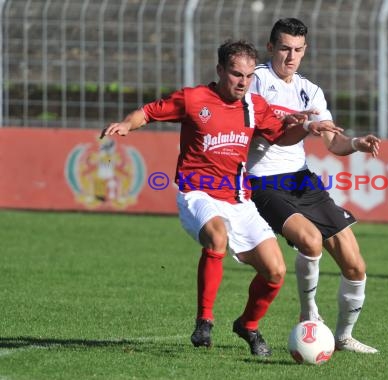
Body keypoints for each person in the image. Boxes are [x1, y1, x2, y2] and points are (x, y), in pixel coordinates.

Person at [100, 39, 341, 357]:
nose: (243, 82)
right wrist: (126, 125)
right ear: (220, 70)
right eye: (236, 74)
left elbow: (282, 136)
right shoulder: (193, 98)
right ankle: (204, 322)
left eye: (249, 76)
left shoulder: (254, 107)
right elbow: (147, 112)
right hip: (196, 192)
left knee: (276, 271)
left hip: (238, 199)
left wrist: (309, 127)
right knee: (217, 235)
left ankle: (248, 325)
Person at [247, 18, 381, 354]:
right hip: (262, 182)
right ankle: (309, 313)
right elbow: (261, 129)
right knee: (310, 240)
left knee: (355, 263)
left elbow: (333, 143)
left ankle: (344, 336)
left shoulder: (311, 90)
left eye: (298, 50)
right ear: (270, 47)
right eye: (284, 49)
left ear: (305, 51)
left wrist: (356, 144)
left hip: (302, 181)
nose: (290, 57)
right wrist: (305, 123)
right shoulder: (256, 81)